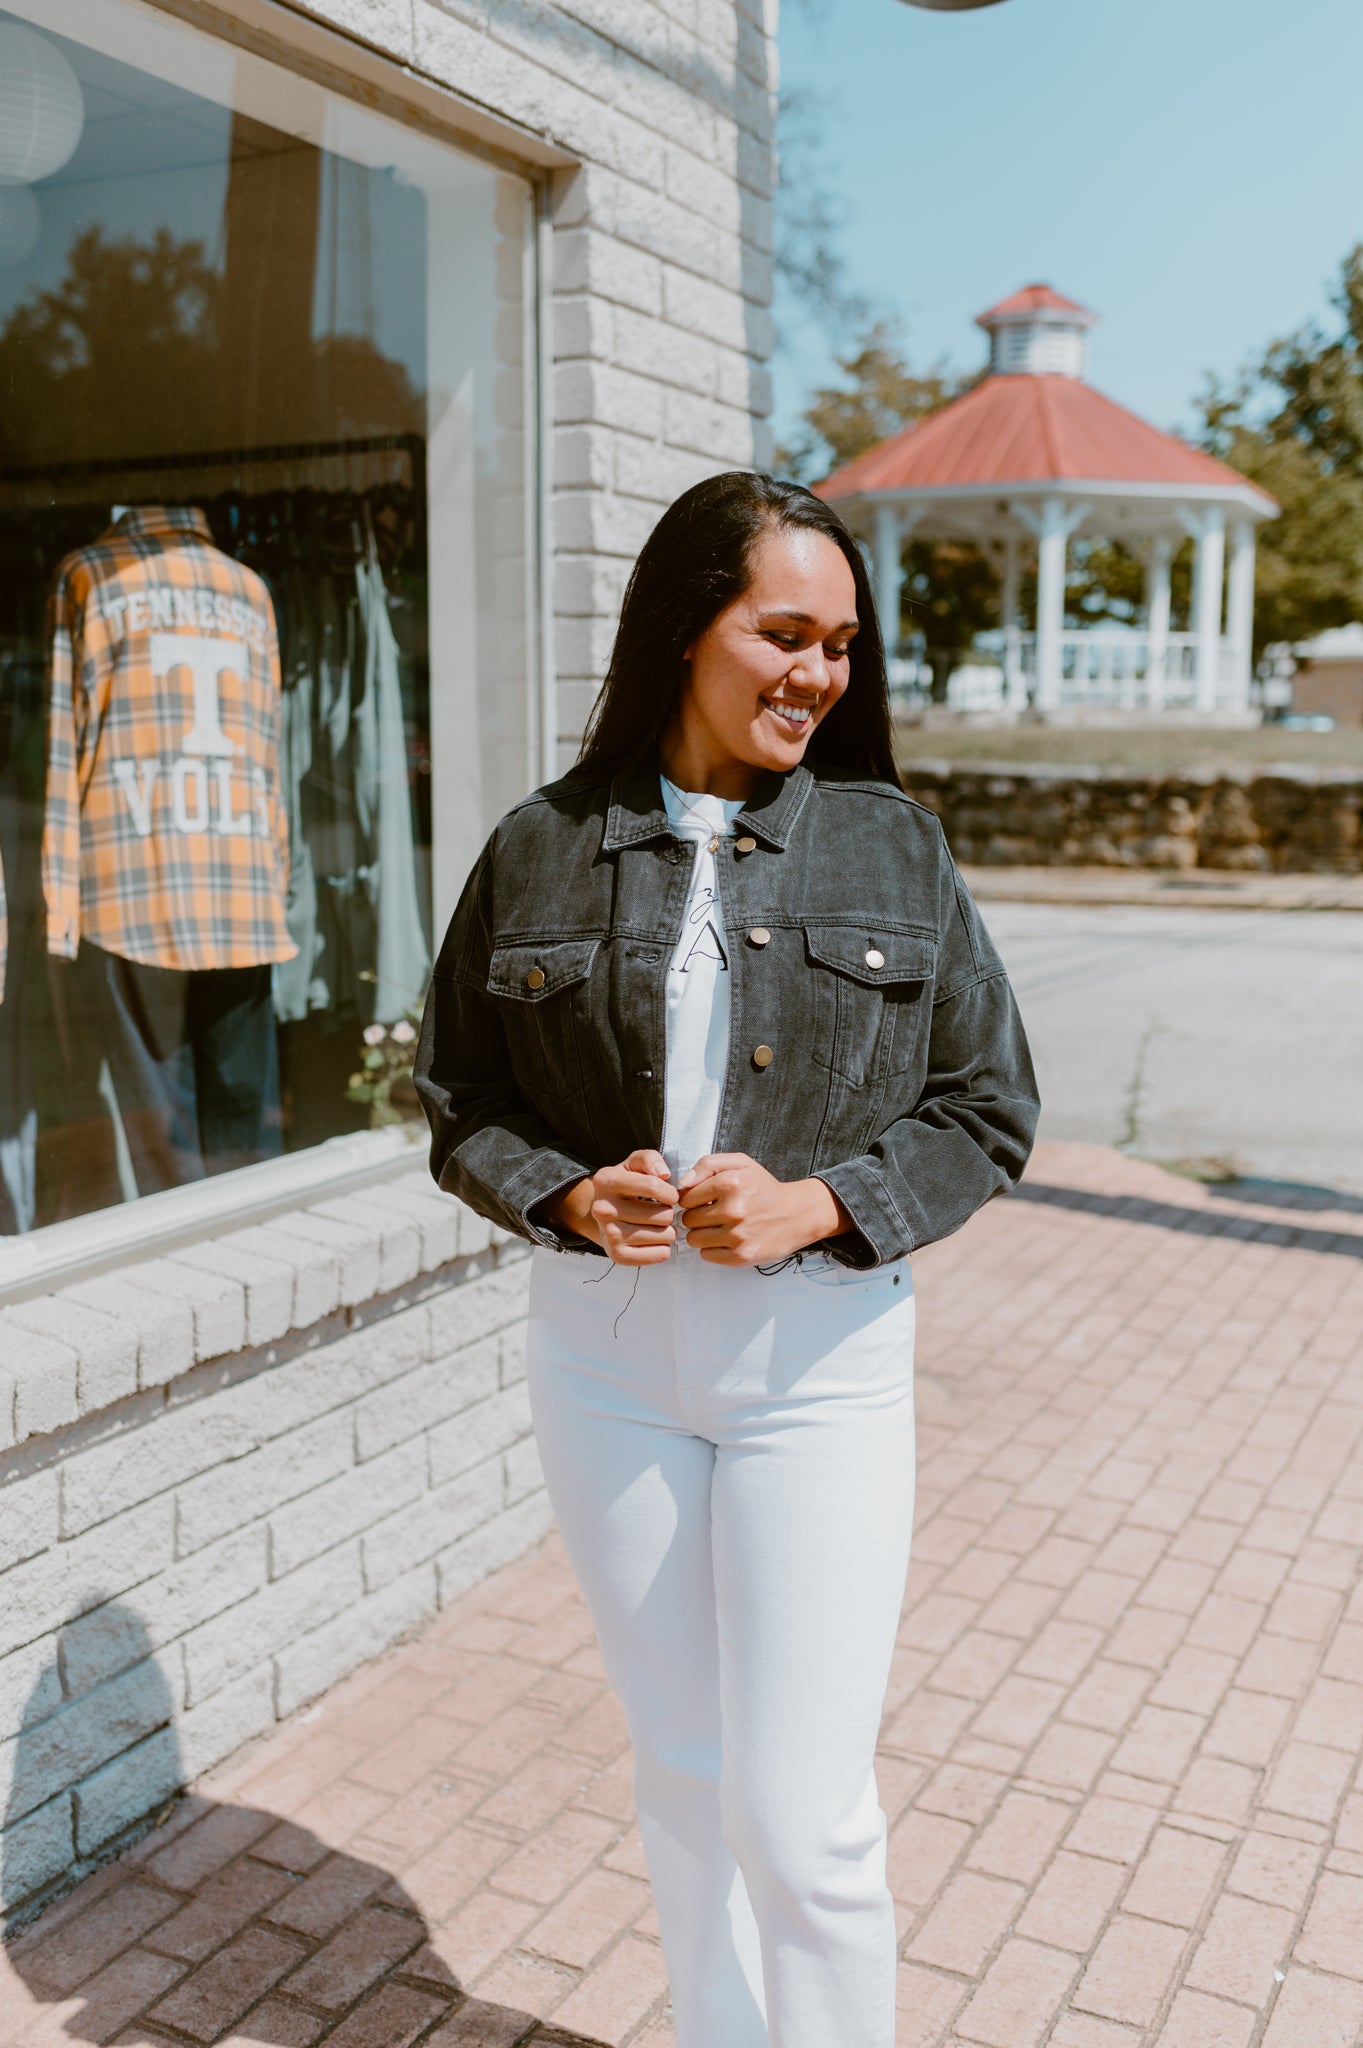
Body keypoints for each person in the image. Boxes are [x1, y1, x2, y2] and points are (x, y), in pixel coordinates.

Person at [415, 472, 1039, 2047]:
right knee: (686, 1775)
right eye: (784, 633)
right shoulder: (541, 847)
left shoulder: (893, 849)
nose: (818, 673)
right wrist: (568, 1196)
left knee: (801, 1812)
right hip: (605, 1363)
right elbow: (460, 1100)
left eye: (840, 644)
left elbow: (989, 1109)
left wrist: (819, 1205)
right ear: (687, 628)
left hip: (816, 1368)